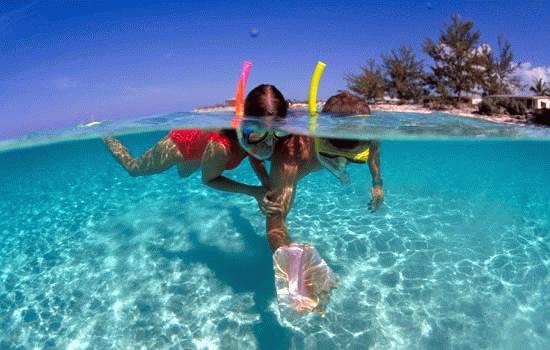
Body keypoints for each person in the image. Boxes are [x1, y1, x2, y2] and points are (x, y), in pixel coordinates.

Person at [264, 91, 383, 314]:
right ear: (319, 136)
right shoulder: (293, 149)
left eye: (351, 153)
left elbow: (374, 150)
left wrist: (378, 182)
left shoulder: (368, 137)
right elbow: (275, 219)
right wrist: (298, 283)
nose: (340, 160)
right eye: (333, 150)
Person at [104, 84, 288, 209]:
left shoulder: (257, 136)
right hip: (182, 144)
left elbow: (254, 154)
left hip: (204, 150)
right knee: (134, 169)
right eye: (258, 133)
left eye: (276, 133)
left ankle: (199, 158)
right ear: (244, 125)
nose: (268, 143)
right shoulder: (220, 147)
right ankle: (106, 135)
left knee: (183, 174)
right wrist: (254, 191)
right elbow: (209, 179)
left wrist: (265, 181)